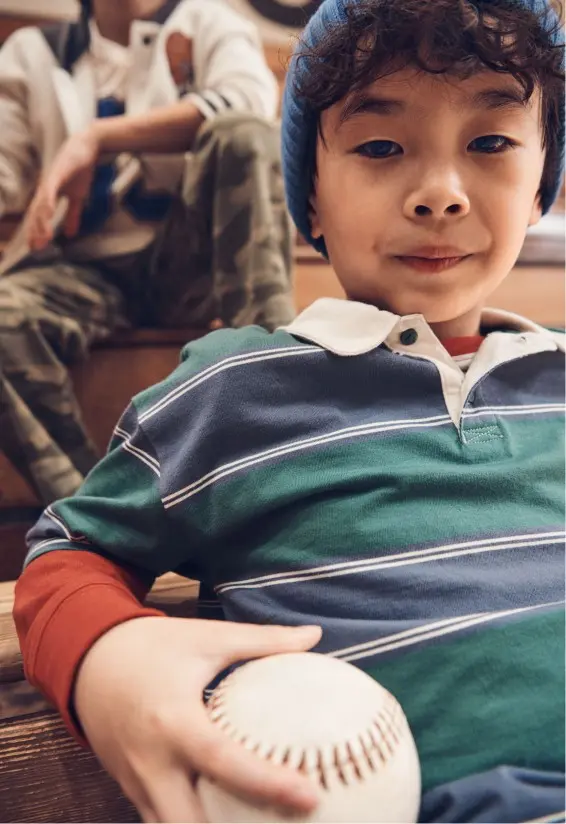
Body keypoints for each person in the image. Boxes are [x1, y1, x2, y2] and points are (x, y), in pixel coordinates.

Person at [13, 0, 565, 820]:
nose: (441, 193)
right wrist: (108, 659)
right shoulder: (235, 390)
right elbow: (66, 551)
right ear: (309, 202)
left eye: (490, 142)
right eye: (380, 146)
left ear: (542, 185)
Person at [0, 0, 294, 506]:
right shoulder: (31, 52)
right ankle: (95, 514)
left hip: (188, 267)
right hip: (81, 270)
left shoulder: (210, 22)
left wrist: (96, 138)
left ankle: (283, 397)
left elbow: (250, 102)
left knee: (242, 135)